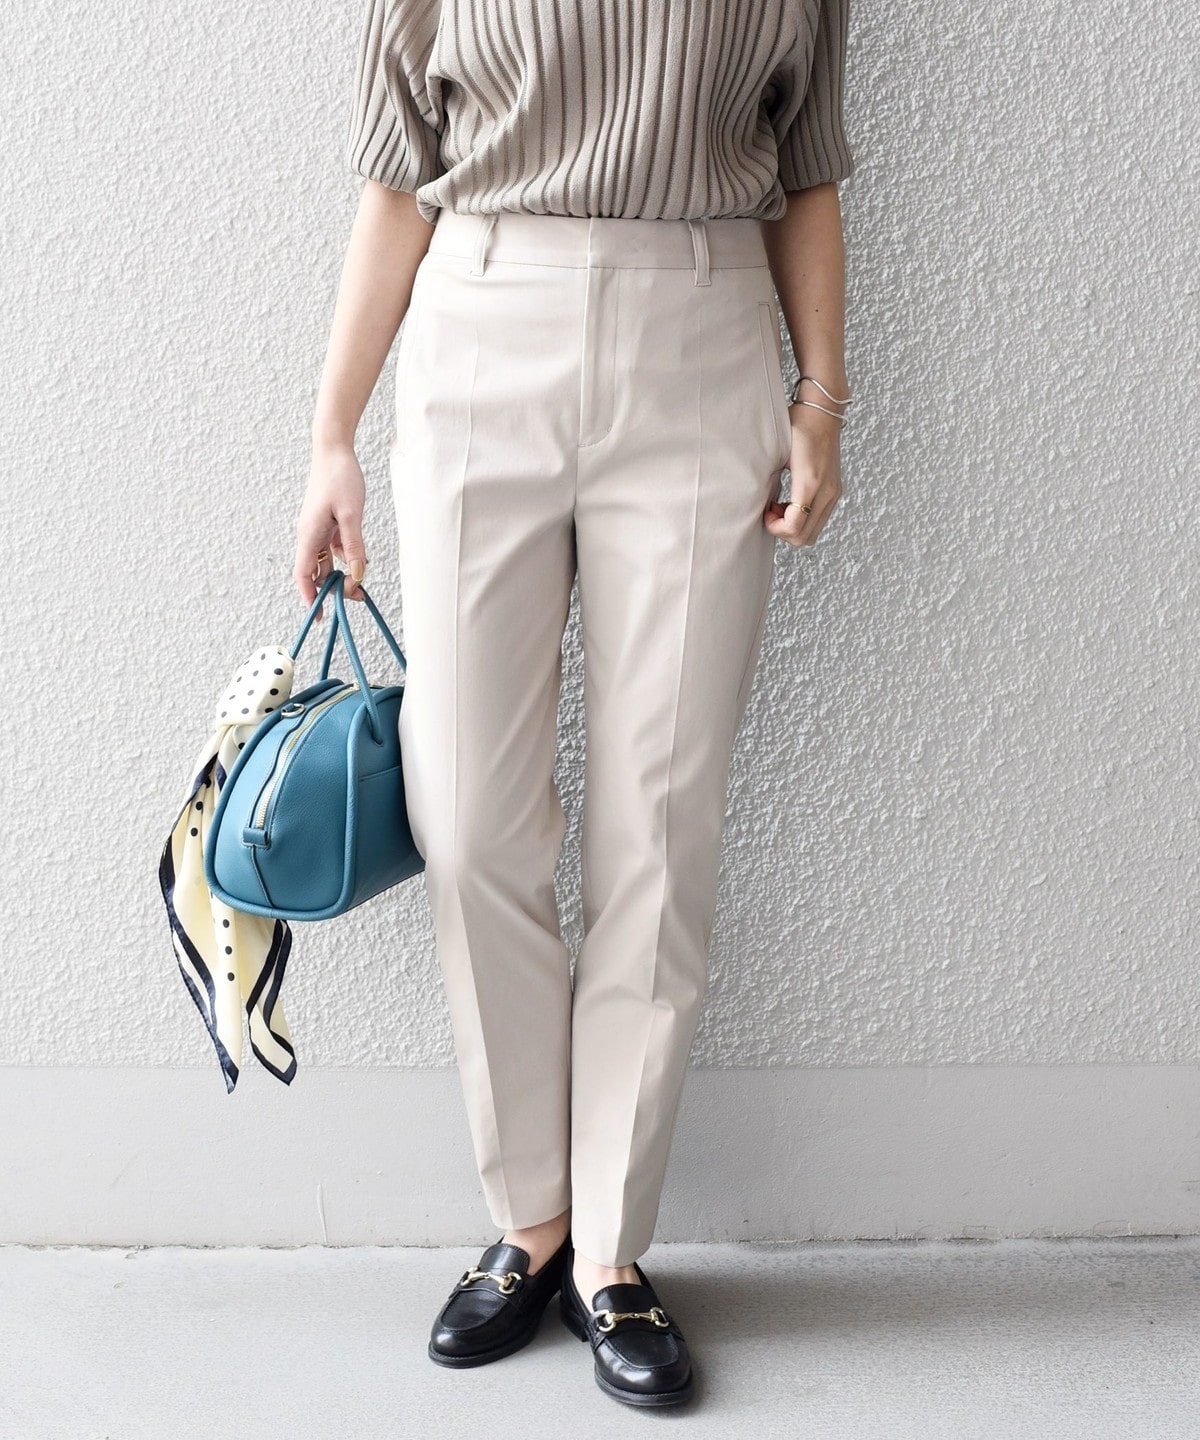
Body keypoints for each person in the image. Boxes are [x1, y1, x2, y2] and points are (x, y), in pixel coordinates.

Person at [294, 0, 856, 1409]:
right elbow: (396, 176)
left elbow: (808, 168)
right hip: (481, 328)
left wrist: (822, 401)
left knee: (659, 825)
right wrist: (331, 435)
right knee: (468, 820)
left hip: (703, 336)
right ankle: (528, 1217)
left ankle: (607, 1248)